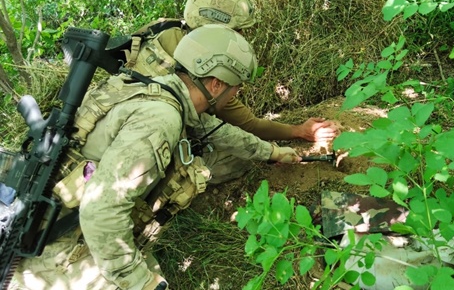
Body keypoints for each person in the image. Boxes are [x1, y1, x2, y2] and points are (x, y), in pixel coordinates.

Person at [8, 24, 299, 289]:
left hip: (61, 227)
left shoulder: (156, 88)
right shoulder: (161, 119)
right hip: (53, 254)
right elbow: (101, 213)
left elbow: (217, 130)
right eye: (236, 87)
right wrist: (141, 283)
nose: (236, 93)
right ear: (216, 85)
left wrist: (271, 151)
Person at [120, 0, 340, 147]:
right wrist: (299, 131)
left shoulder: (165, 30)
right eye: (236, 31)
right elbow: (249, 126)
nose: (242, 36)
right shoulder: (203, 69)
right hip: (139, 145)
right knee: (233, 158)